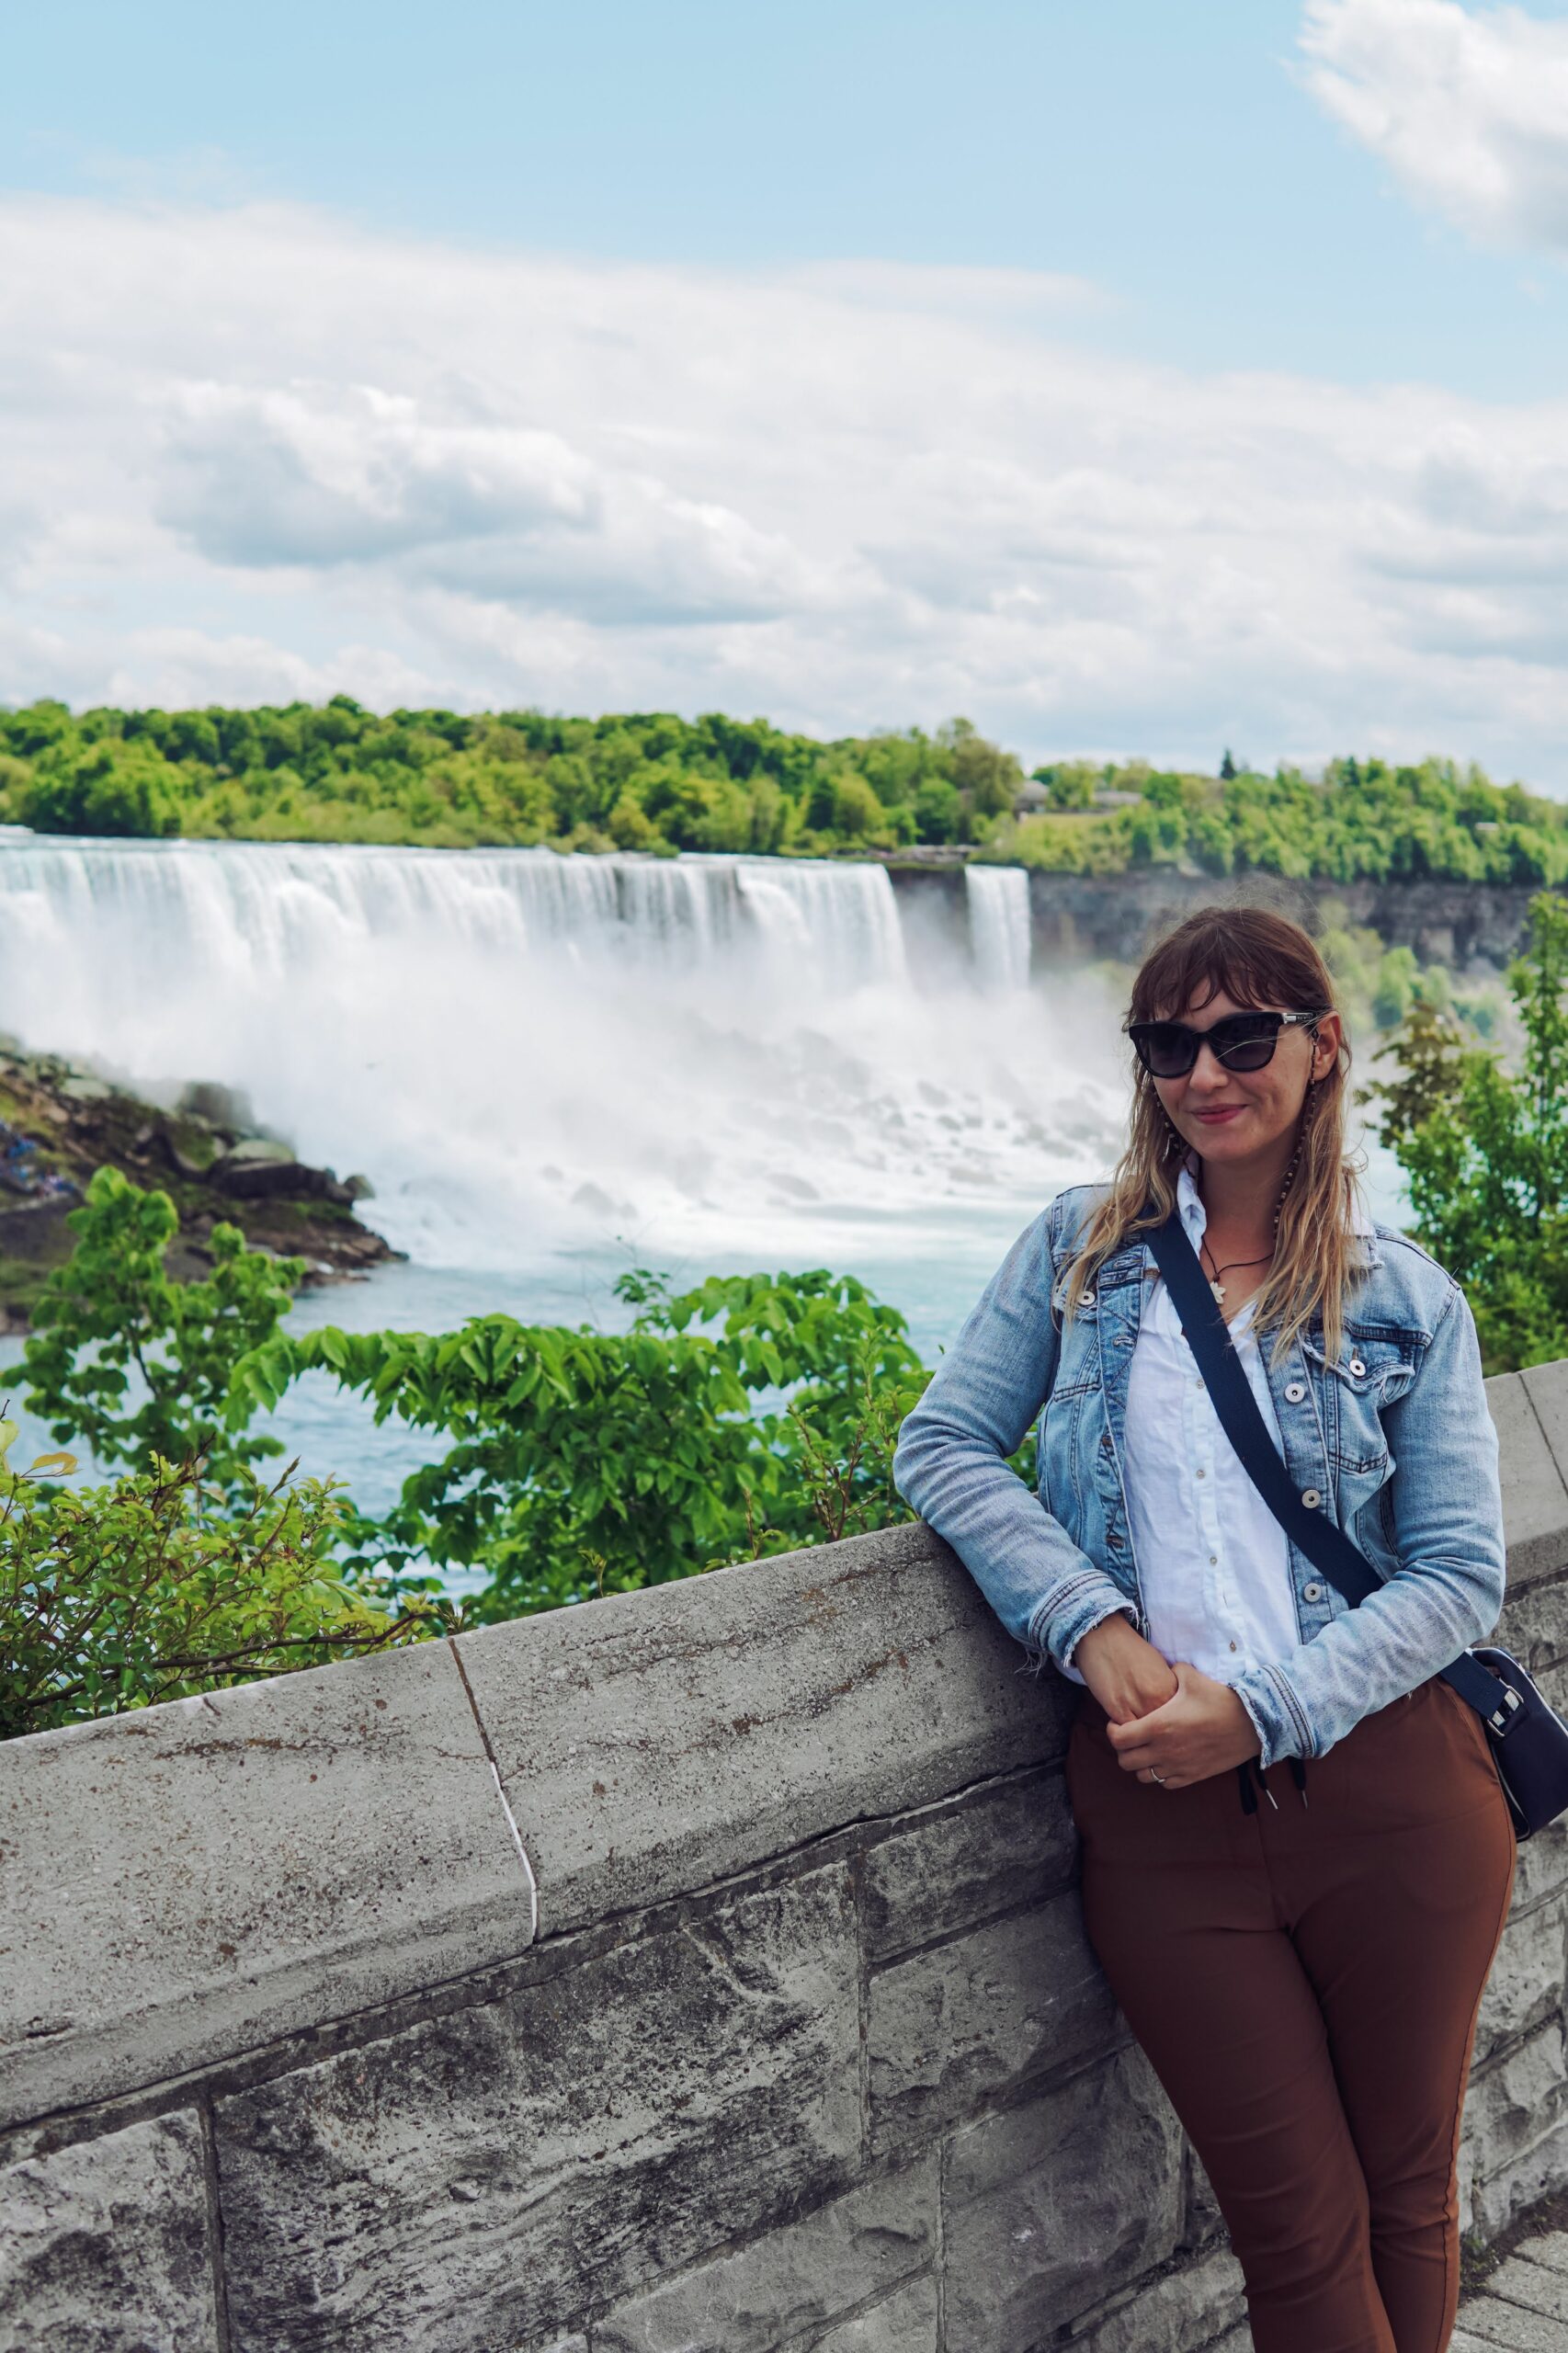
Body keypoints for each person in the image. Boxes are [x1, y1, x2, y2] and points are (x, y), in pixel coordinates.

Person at [892, 904, 1515, 2353]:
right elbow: (943, 1447)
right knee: (1295, 2236)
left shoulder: (1406, 1299)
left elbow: (1455, 1577)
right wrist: (1085, 1622)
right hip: (1162, 1824)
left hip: (1394, 1800)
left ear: (1318, 1045)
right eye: (1167, 1042)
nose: (1204, 1071)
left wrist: (1263, 1709)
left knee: (1408, 2196)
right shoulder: (1080, 1250)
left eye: (1242, 1036)